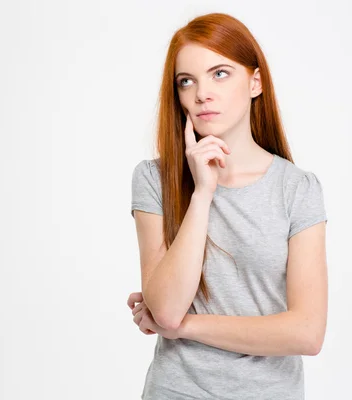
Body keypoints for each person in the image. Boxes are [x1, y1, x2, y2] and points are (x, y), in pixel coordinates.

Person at [127, 12, 328, 400]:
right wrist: (202, 193)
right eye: (187, 81)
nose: (202, 93)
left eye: (220, 73)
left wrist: (186, 327)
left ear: (255, 82)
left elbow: (306, 332)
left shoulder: (298, 189)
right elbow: (165, 310)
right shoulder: (154, 180)